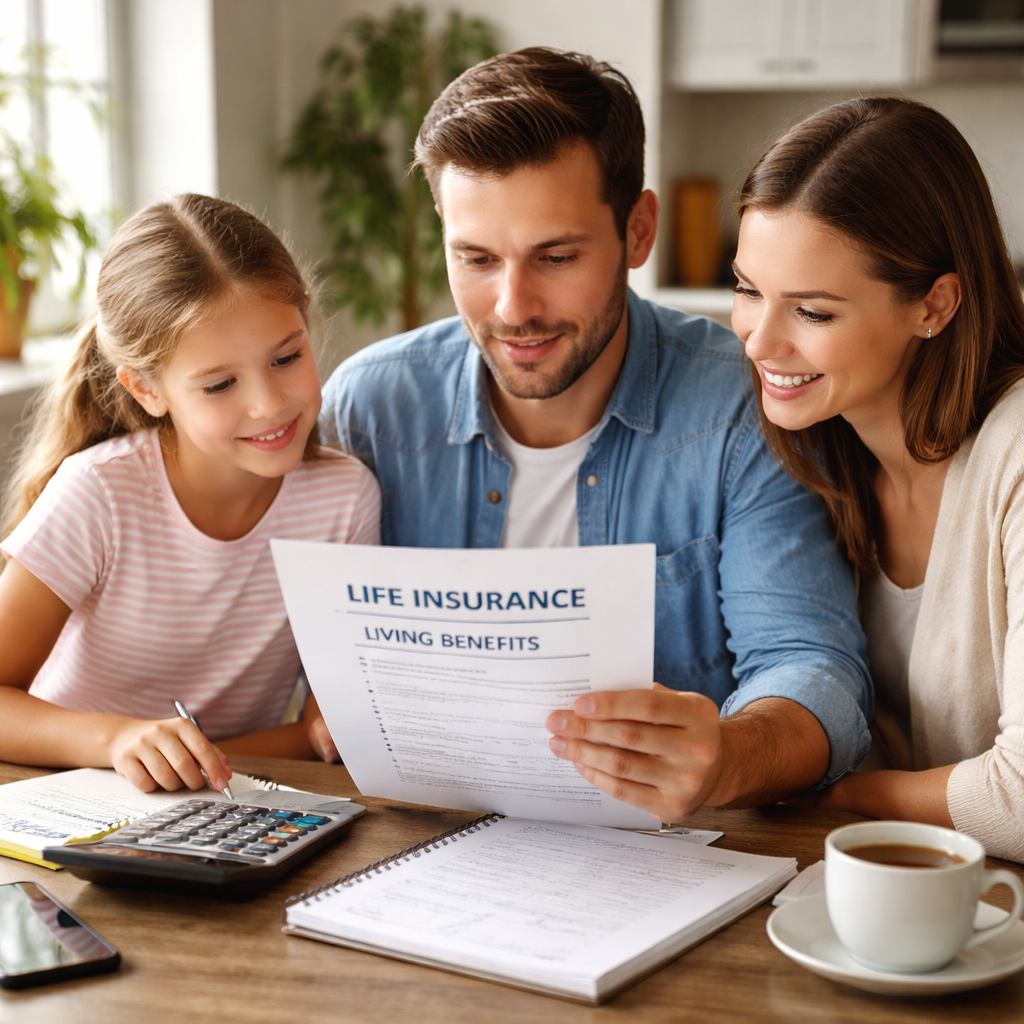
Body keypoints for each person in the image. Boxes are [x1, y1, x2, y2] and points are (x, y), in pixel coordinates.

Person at [320, 47, 872, 824]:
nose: (513, 306)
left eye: (556, 256)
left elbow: (813, 668)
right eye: (476, 257)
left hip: (668, 860)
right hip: (418, 844)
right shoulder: (369, 409)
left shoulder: (740, 407)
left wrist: (732, 755)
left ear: (638, 231)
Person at [0, 195, 380, 793]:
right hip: (66, 805)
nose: (270, 404)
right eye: (220, 383)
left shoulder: (346, 500)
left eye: (286, 357)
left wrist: (318, 726)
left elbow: (319, 723)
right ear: (147, 390)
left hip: (221, 806)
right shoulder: (101, 494)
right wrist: (120, 740)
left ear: (307, 322)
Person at [732, 96, 1024, 861]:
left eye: (813, 312)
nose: (760, 340)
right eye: (747, 289)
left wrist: (847, 791)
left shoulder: (1016, 456)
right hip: (895, 893)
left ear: (934, 304)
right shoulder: (818, 455)